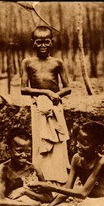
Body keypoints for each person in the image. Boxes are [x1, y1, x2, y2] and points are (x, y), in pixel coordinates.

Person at [21, 25, 71, 185]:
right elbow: (23, 89)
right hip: (38, 108)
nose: (43, 46)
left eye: (46, 42)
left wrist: (55, 95)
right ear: (33, 42)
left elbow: (68, 88)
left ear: (52, 42)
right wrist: (45, 93)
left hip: (55, 107)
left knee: (57, 142)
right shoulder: (27, 62)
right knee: (40, 141)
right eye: (39, 42)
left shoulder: (57, 62)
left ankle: (59, 179)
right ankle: (42, 178)